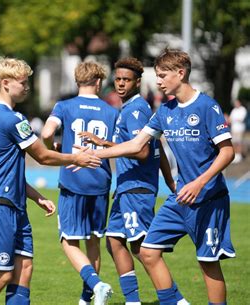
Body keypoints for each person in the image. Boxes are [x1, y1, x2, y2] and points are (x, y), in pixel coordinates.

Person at [88, 49, 235, 305]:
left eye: (162, 75)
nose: (158, 81)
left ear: (181, 73)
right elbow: (137, 145)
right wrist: (96, 152)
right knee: (148, 252)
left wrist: (200, 182)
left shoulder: (206, 106)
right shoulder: (164, 110)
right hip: (180, 199)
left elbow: (228, 152)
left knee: (208, 264)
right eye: (157, 75)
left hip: (209, 198)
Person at [0, 56, 104, 305]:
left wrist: (37, 196)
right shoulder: (10, 118)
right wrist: (77, 158)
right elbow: (42, 156)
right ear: (5, 83)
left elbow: (6, 170)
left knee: (24, 269)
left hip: (12, 203)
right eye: (22, 82)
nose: (27, 87)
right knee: (1, 276)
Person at [79, 57, 188, 305]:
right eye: (117, 79)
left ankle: (177, 300)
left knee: (143, 248)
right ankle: (133, 301)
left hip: (137, 188)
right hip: (126, 188)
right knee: (114, 242)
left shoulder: (136, 109)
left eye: (126, 80)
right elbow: (155, 143)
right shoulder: (128, 108)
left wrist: (102, 149)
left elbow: (142, 152)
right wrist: (105, 143)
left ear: (137, 82)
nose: (120, 84)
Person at [41, 61, 117, 305]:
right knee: (93, 241)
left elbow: (45, 133)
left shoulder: (64, 106)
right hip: (101, 183)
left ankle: (96, 285)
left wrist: (51, 148)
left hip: (74, 182)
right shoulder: (111, 111)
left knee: (68, 240)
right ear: (98, 82)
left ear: (77, 81)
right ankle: (87, 299)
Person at [229, 99, 247, 163]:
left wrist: (234, 119)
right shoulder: (234, 110)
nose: (236, 104)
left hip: (240, 129)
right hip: (234, 129)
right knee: (234, 142)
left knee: (239, 142)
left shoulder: (243, 109)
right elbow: (230, 119)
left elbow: (241, 119)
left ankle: (239, 156)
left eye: (237, 103)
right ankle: (236, 155)